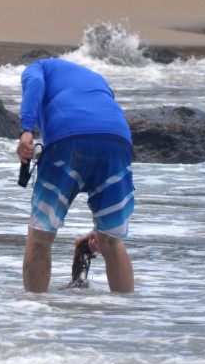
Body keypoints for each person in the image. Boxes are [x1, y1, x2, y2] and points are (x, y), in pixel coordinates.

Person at [17, 58, 135, 293]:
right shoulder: (97, 79)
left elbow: (35, 85)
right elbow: (102, 126)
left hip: (68, 140)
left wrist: (27, 129)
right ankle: (125, 321)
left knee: (41, 237)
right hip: (117, 143)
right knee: (112, 241)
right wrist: (102, 231)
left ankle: (32, 319)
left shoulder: (38, 67)